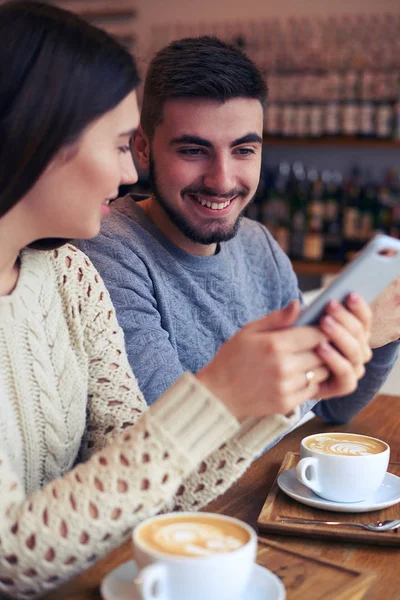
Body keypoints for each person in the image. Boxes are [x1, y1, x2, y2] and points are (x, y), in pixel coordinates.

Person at [0, 4, 373, 598]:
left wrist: (279, 393)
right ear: (39, 139)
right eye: (122, 144)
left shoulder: (66, 275)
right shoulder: (106, 255)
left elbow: (152, 475)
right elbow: (11, 557)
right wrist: (223, 391)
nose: (129, 173)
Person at [79, 36, 398, 418]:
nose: (222, 180)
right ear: (143, 148)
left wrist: (380, 332)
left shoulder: (258, 244)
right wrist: (351, 337)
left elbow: (327, 408)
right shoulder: (107, 252)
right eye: (193, 151)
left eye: (244, 150)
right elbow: (174, 433)